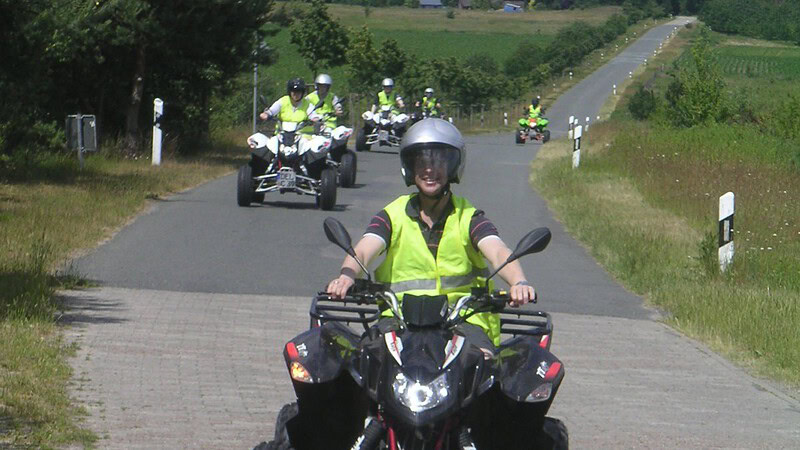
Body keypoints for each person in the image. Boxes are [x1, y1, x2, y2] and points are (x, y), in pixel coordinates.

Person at [326, 118, 536, 350]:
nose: (429, 170)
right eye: (422, 162)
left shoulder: (469, 217)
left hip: (464, 319)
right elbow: (365, 249)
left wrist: (519, 281)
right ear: (410, 167)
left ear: (453, 166)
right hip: (399, 319)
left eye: (438, 162)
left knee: (481, 364)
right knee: (367, 361)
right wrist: (346, 276)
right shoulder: (392, 215)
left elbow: (497, 251)